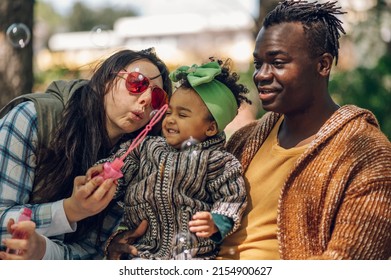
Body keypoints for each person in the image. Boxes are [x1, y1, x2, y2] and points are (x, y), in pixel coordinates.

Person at [216, 0, 391, 260]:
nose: (261, 75)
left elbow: (348, 264)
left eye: (277, 62)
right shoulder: (244, 140)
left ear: (323, 65)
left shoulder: (368, 153)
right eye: (258, 63)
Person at [0, 48, 172, 260]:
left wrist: (43, 251)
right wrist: (70, 210)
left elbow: (91, 252)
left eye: (157, 97)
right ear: (106, 80)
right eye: (137, 82)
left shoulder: (133, 162)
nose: (146, 99)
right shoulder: (32, 118)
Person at [101, 59, 250, 260]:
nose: (170, 119)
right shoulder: (147, 147)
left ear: (211, 128)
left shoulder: (219, 162)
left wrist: (216, 222)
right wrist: (102, 177)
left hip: (191, 255)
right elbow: (119, 169)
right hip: (141, 250)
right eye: (169, 111)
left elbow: (232, 197)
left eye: (182, 115)